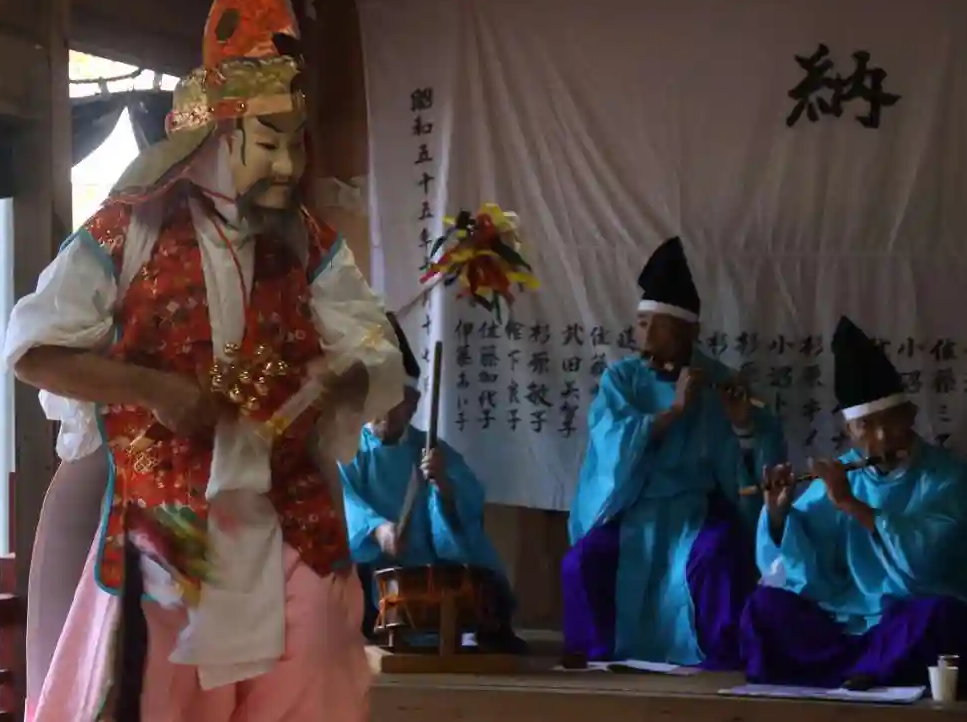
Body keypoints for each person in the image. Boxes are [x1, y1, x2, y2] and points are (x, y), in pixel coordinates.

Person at [5, 0, 405, 722]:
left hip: (284, 514)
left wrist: (345, 378)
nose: (287, 166)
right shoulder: (127, 231)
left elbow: (375, 350)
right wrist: (155, 390)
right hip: (161, 517)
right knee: (162, 689)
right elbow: (32, 350)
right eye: (269, 143)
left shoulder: (309, 244)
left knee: (318, 650)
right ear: (219, 135)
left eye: (296, 144)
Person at [562, 236, 785, 667]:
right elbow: (609, 442)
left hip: (695, 509)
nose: (645, 336)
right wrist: (674, 411)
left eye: (658, 326)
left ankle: (717, 656)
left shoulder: (719, 381)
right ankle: (595, 658)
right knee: (583, 561)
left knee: (718, 556)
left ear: (689, 333)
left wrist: (742, 425)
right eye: (641, 324)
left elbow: (761, 453)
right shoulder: (622, 379)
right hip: (633, 508)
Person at [740, 316, 967, 692]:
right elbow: (799, 574)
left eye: (891, 422)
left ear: (911, 416)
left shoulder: (948, 477)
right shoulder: (840, 475)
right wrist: (779, 514)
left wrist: (853, 505)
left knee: (940, 617)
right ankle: (866, 670)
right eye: (867, 426)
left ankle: (857, 672)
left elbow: (927, 564)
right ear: (849, 431)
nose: (882, 436)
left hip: (903, 617)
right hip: (843, 621)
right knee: (765, 607)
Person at [339, 313, 527, 654]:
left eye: (396, 400)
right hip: (374, 562)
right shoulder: (348, 450)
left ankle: (485, 627)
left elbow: (467, 508)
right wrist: (378, 530)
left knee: (480, 562)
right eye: (378, 399)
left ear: (413, 404)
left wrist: (443, 485)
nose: (386, 410)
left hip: (431, 562)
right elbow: (344, 500)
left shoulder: (431, 450)